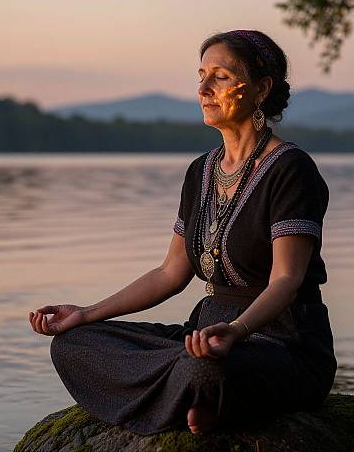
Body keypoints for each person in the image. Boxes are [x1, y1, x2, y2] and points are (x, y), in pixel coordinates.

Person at [28, 29, 337, 436]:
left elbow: (287, 279)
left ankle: (198, 394)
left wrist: (236, 331)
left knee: (202, 369)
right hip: (203, 335)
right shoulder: (201, 172)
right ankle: (196, 400)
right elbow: (169, 274)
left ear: (261, 89)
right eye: (201, 75)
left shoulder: (289, 169)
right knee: (74, 344)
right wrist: (86, 313)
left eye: (221, 77)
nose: (204, 89)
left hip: (281, 344)